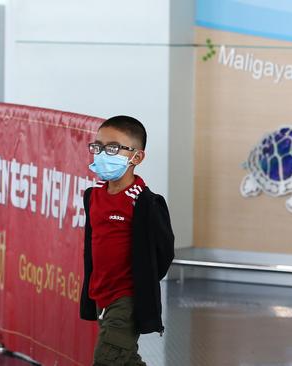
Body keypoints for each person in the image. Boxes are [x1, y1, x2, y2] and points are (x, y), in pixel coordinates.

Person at [80, 115, 174, 366]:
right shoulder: (93, 196)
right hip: (101, 293)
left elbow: (164, 251)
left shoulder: (143, 201)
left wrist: (143, 280)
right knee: (126, 359)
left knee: (107, 359)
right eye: (98, 147)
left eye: (112, 148)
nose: (101, 154)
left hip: (126, 296)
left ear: (137, 157)